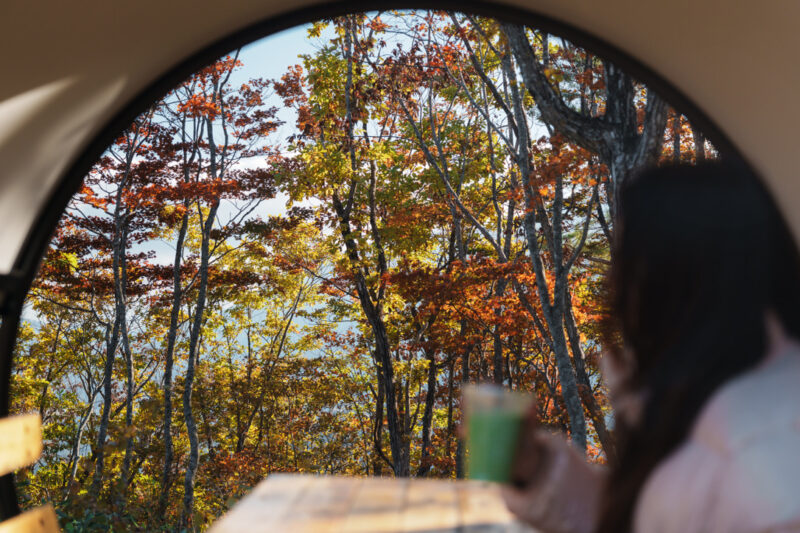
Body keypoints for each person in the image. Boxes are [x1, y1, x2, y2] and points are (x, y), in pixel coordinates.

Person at [502, 162, 800, 533]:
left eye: (625, 263)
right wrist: (535, 467)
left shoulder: (741, 470)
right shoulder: (735, 404)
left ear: (669, 282)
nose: (613, 283)